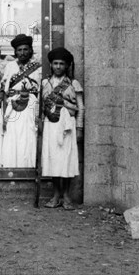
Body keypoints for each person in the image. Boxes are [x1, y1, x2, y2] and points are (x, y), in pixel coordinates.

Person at [40, 47, 84, 210]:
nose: (58, 66)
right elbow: (41, 106)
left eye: (62, 64)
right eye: (55, 63)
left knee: (65, 160)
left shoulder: (73, 83)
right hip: (51, 125)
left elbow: (80, 107)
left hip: (67, 125)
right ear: (51, 65)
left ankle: (66, 196)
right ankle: (56, 195)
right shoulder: (45, 83)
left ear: (67, 66)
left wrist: (79, 128)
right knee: (52, 160)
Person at [1, 34, 41, 168]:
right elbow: (5, 91)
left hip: (30, 106)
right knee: (12, 136)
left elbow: (40, 91)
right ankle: (11, 168)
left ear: (30, 50)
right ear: (15, 52)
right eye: (19, 50)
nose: (22, 53)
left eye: (25, 49)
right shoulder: (10, 66)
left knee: (28, 137)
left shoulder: (37, 67)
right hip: (13, 107)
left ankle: (28, 169)